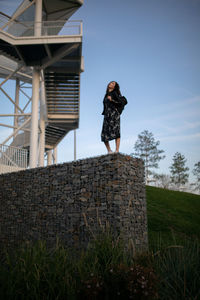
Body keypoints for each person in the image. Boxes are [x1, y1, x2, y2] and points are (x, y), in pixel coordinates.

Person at [101, 81, 126, 153]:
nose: (111, 84)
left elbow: (120, 103)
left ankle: (117, 150)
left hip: (114, 114)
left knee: (116, 132)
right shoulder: (106, 94)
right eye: (110, 83)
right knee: (104, 134)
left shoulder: (115, 93)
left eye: (113, 84)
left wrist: (112, 100)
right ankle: (109, 150)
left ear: (115, 87)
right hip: (107, 115)